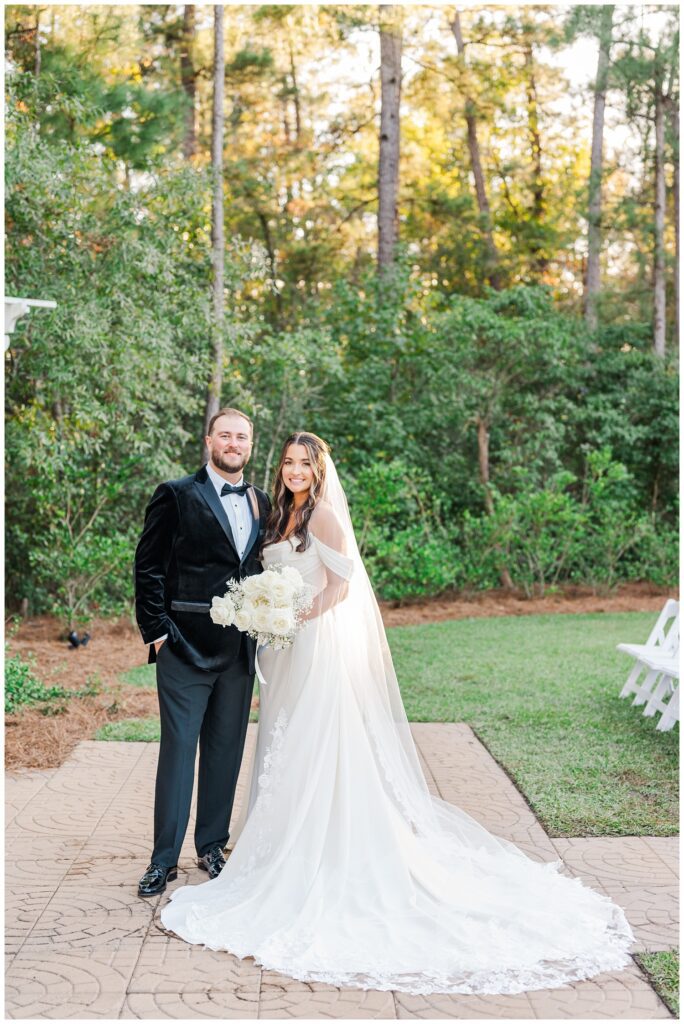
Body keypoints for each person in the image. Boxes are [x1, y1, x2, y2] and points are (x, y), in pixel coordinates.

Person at [160, 431, 634, 995]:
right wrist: (268, 618)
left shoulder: (327, 517)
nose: (294, 471)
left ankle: (323, 851)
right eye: (288, 462)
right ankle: (269, 844)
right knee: (283, 744)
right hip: (280, 650)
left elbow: (343, 586)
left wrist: (292, 617)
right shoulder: (277, 515)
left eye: (304, 463)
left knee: (317, 743)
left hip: (312, 645)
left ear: (319, 468)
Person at [134, 408, 271, 897]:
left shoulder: (262, 501)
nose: (234, 443)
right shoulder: (175, 494)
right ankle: (162, 859)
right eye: (226, 435)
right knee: (177, 750)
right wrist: (156, 630)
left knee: (225, 751)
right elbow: (147, 565)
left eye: (242, 437)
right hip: (184, 646)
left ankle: (212, 846)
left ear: (250, 446)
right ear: (209, 440)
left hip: (238, 651)